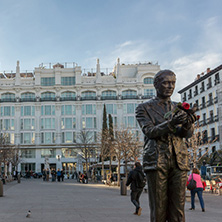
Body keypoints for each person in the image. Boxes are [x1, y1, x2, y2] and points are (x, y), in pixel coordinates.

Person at [136, 70, 197, 222]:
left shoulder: (179, 107)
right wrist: (171, 123)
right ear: (156, 85)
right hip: (157, 161)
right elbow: (149, 131)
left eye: (173, 83)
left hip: (179, 161)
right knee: (159, 209)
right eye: (166, 82)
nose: (170, 86)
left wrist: (188, 124)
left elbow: (186, 134)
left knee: (178, 210)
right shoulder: (144, 108)